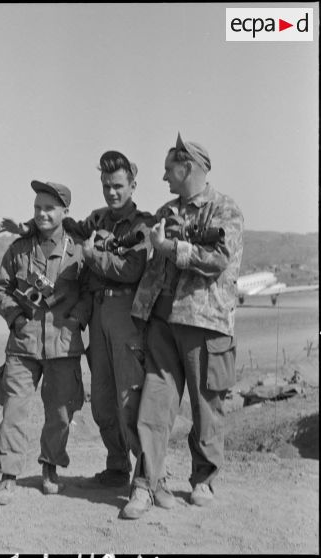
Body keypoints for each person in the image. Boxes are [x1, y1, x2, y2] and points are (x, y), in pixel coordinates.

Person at [0, 152, 163, 495]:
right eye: (106, 186)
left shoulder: (142, 225)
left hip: (124, 315)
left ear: (133, 185)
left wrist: (92, 258)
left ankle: (147, 481)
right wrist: (29, 228)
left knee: (129, 397)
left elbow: (132, 269)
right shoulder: (97, 220)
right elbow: (60, 224)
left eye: (118, 185)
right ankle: (117, 466)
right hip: (98, 314)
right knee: (102, 399)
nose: (112, 192)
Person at [121, 133, 244, 519]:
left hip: (204, 322)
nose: (164, 179)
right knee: (154, 403)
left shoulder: (225, 209)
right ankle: (145, 484)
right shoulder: (164, 212)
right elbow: (151, 268)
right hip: (162, 321)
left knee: (206, 405)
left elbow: (219, 258)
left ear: (187, 166)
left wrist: (173, 248)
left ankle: (203, 479)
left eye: (168, 171)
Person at [0, 180, 91, 505]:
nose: (42, 214)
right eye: (37, 208)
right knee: (14, 410)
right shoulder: (19, 249)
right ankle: (7, 476)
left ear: (65, 212)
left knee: (60, 413)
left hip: (63, 346)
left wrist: (76, 320)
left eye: (49, 208)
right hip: (23, 346)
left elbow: (90, 294)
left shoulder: (79, 251)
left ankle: (50, 467)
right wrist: (15, 318)